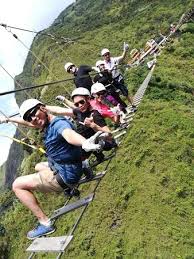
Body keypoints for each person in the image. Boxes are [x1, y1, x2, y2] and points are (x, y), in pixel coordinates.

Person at [0, 99, 103, 239]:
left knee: (17, 185)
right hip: (70, 166)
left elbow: (68, 134)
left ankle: (45, 223)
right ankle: (84, 167)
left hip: (65, 177)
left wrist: (84, 142)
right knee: (38, 166)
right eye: (29, 117)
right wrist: (7, 119)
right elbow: (30, 123)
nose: (33, 119)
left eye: (33, 113)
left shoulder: (58, 124)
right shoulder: (48, 122)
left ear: (43, 108)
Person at [48, 87, 117, 163]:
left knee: (76, 154)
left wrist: (93, 125)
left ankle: (87, 164)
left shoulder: (94, 115)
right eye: (77, 104)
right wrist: (43, 107)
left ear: (88, 99)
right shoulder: (79, 111)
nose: (80, 105)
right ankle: (99, 156)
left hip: (105, 143)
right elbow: (59, 110)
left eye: (81, 102)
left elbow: (109, 134)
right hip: (88, 141)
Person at [101, 44, 137, 110]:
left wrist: (125, 50)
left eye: (108, 54)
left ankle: (133, 104)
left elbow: (122, 57)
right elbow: (102, 71)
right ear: (103, 56)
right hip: (111, 81)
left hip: (118, 78)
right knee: (116, 96)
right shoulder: (103, 64)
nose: (107, 56)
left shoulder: (114, 60)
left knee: (125, 92)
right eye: (105, 55)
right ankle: (123, 108)